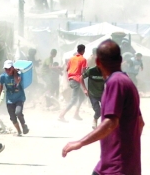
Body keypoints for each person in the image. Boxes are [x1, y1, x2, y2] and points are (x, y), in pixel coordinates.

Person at [62, 40, 143, 175]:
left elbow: (111, 122)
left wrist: (80, 143)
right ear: (121, 60)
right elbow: (140, 123)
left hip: (115, 168)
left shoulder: (115, 82)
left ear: (98, 62)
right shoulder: (127, 81)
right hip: (122, 165)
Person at [58, 44, 88, 122]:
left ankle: (76, 114)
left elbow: (67, 69)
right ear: (83, 51)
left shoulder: (71, 59)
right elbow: (84, 72)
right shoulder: (83, 59)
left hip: (71, 80)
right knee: (73, 100)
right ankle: (61, 115)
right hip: (76, 80)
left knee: (82, 97)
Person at [0, 60, 29, 136]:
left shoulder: (19, 75)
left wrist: (15, 73)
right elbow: (1, 86)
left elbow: (17, 81)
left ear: (12, 68)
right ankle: (19, 131)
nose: (7, 71)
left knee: (18, 112)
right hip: (9, 100)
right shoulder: (3, 76)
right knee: (12, 117)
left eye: (9, 69)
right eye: (6, 69)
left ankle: (23, 125)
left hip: (19, 98)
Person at [84, 50, 107, 129]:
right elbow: (83, 76)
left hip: (101, 92)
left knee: (107, 108)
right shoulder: (91, 64)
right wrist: (85, 89)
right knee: (98, 110)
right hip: (92, 91)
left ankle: (104, 124)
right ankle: (95, 119)